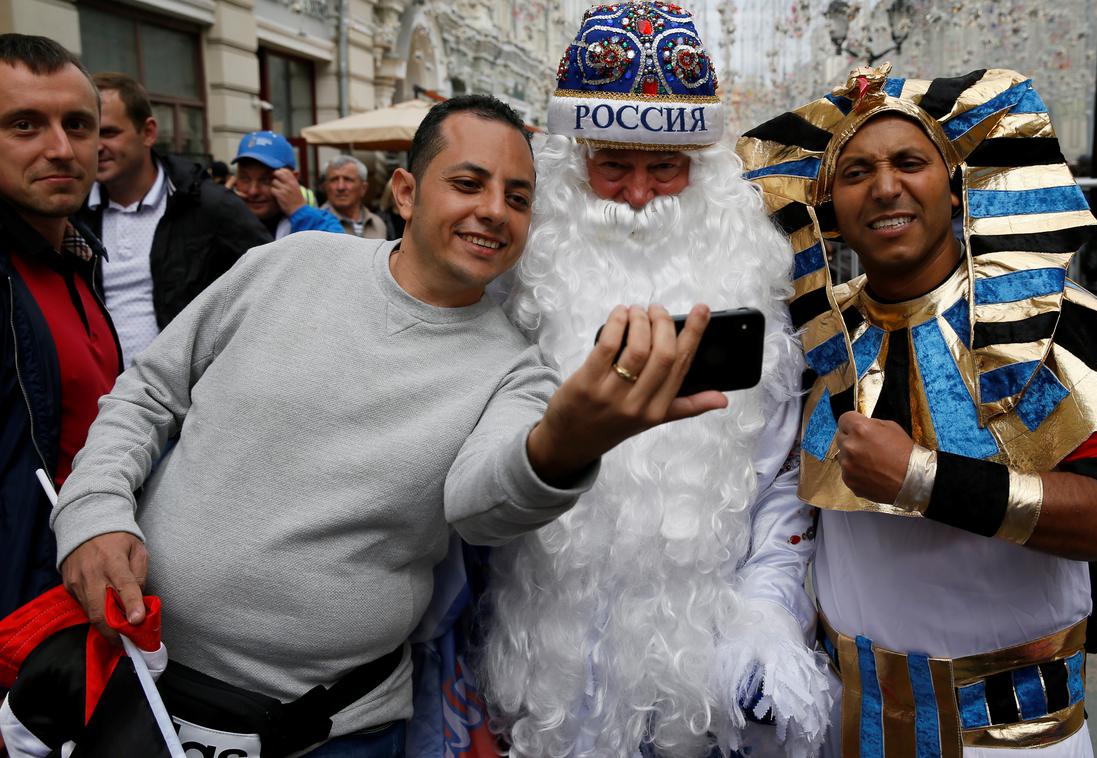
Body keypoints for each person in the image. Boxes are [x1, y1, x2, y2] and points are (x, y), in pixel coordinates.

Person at [40, 94, 725, 758]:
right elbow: (151, 391)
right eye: (468, 183)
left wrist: (567, 444)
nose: (494, 211)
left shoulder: (517, 366)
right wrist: (95, 507)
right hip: (131, 678)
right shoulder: (286, 263)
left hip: (329, 730)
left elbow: (482, 504)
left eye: (519, 198)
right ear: (404, 191)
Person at [738, 65, 1097, 756]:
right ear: (827, 199)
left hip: (1013, 737)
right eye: (855, 172)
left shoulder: (1057, 323)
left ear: (954, 180)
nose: (885, 186)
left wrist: (925, 480)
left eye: (909, 162)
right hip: (845, 727)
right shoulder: (814, 339)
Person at [475, 4, 833, 756]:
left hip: (698, 683)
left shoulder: (753, 294)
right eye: (613, 165)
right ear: (574, 168)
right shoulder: (516, 288)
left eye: (664, 167)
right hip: (538, 668)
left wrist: (766, 616)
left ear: (701, 171)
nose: (638, 195)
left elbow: (779, 488)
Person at [0, 34, 119, 623]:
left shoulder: (80, 260)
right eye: (24, 125)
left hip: (70, 609)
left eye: (77, 125)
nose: (60, 148)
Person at [78, 73, 270, 367]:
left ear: (148, 132)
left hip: (186, 399)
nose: (97, 145)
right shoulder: (71, 213)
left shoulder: (207, 205)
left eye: (109, 132)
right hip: (102, 401)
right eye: (87, 132)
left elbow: (270, 283)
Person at [231, 129, 342, 238]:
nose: (253, 191)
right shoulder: (226, 218)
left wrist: (299, 211)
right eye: (245, 178)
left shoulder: (324, 223)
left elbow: (335, 250)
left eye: (265, 180)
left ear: (293, 179)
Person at [321, 154, 390, 238]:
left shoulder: (378, 224)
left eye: (348, 179)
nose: (340, 187)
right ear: (325, 186)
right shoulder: (315, 224)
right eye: (334, 180)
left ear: (363, 188)